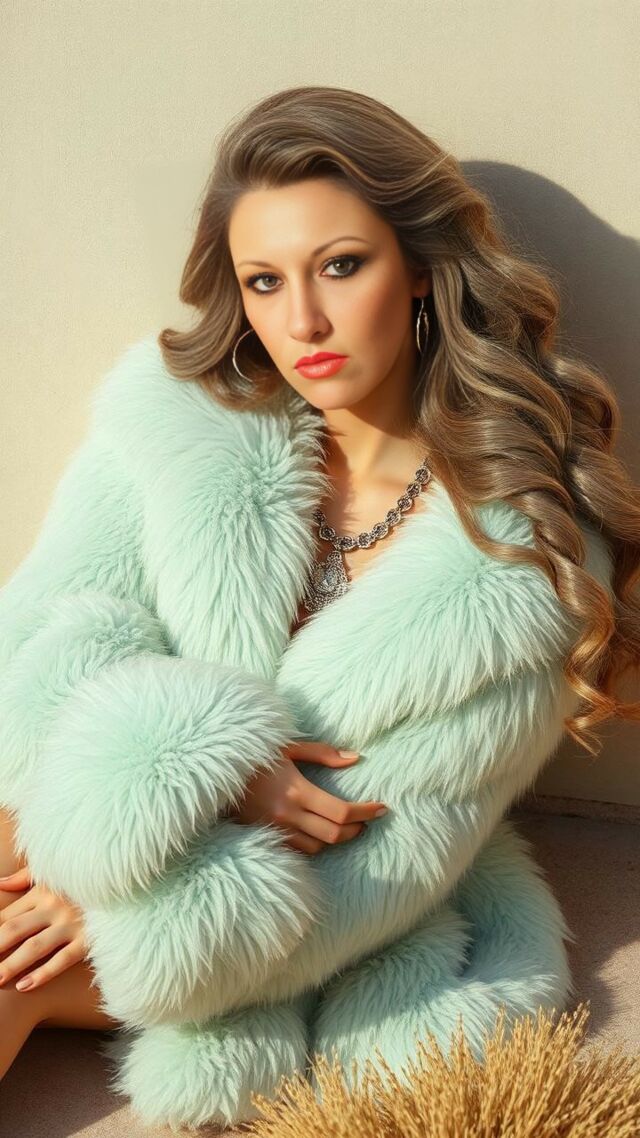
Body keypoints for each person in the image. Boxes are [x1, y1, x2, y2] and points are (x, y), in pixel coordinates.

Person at [0, 85, 638, 1123]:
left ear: (420, 268)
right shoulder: (177, 427)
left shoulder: (519, 557)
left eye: (341, 266)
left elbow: (384, 850)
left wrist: (109, 888)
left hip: (282, 914)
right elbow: (38, 651)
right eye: (264, 280)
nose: (301, 321)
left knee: (10, 977)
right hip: (75, 809)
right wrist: (197, 766)